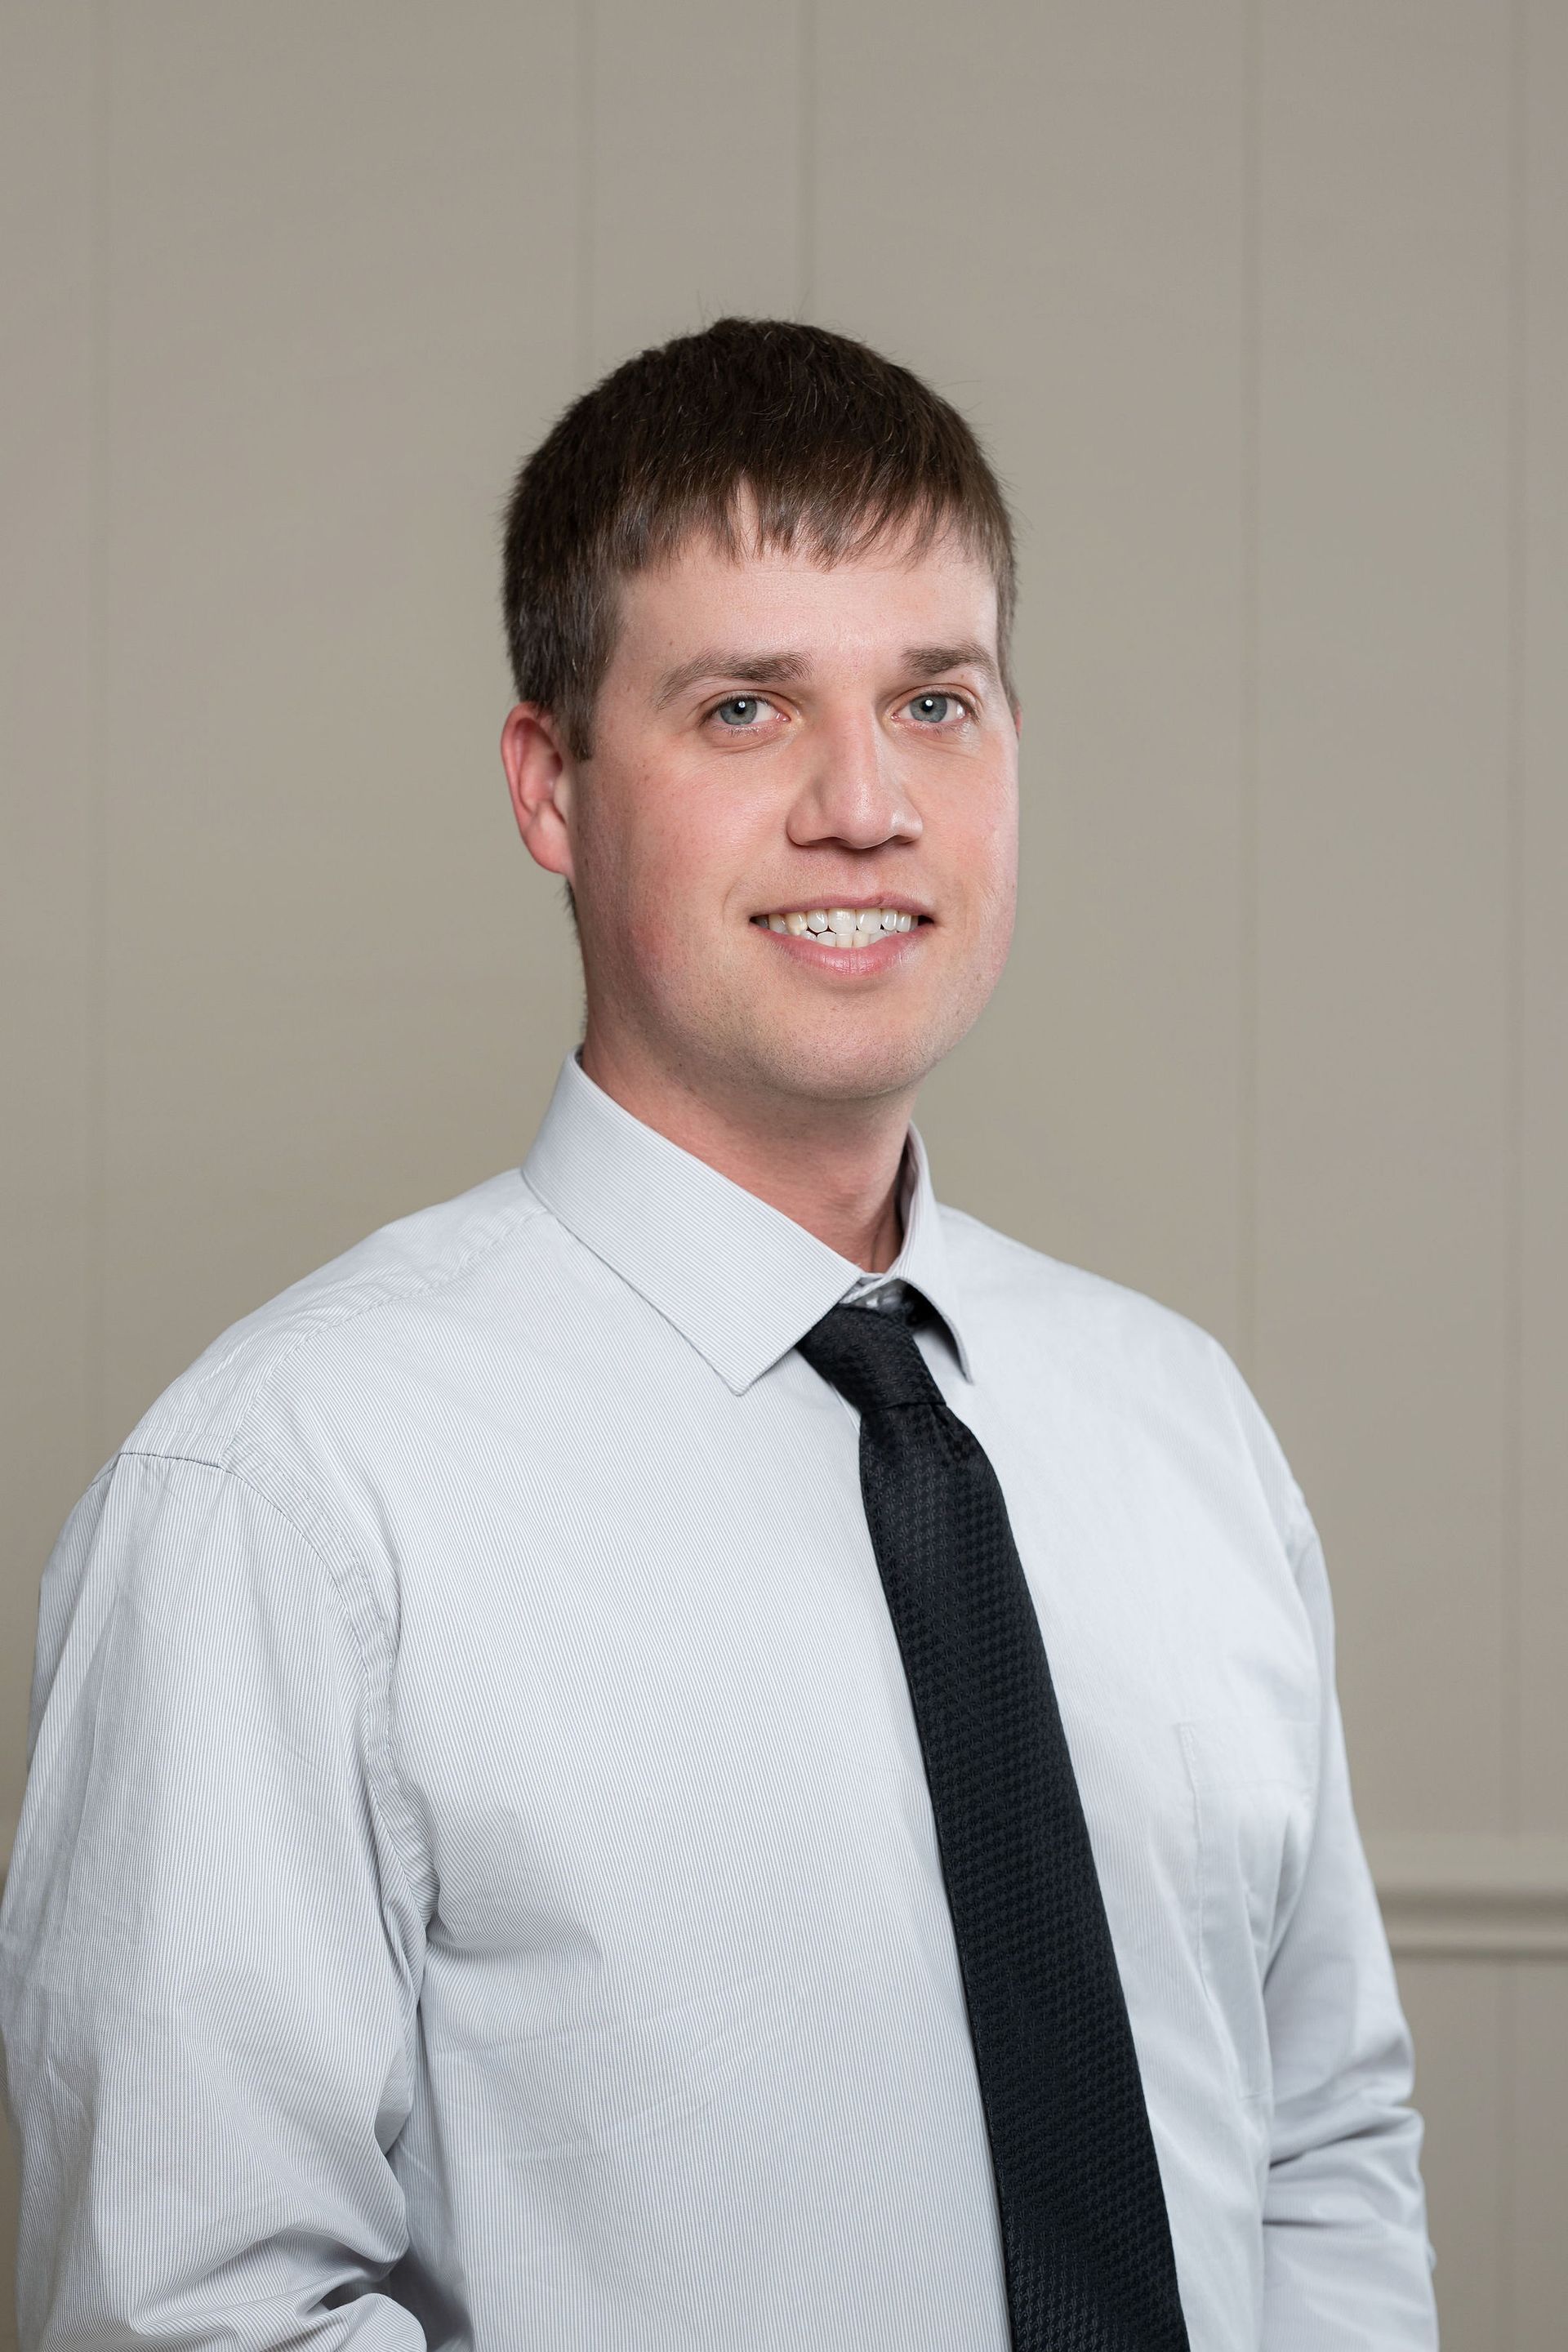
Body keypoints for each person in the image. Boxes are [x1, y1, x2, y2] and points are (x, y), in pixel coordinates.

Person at [0, 317, 1437, 2351]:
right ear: (550, 788)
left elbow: (1321, 2151)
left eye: (935, 698)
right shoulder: (283, 1496)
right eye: (747, 708)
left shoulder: (1176, 1424)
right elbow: (200, 2314)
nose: (866, 804)